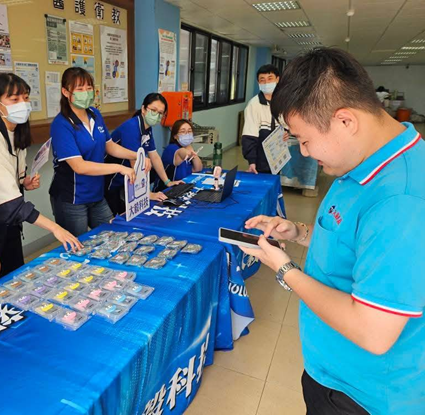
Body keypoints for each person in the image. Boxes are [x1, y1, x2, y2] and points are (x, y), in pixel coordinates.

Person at [240, 48, 424, 415]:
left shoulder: (401, 201)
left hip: (361, 396)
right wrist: (297, 232)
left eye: (304, 139)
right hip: (329, 371)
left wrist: (284, 269)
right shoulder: (359, 162)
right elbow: (350, 238)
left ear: (345, 120)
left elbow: (373, 331)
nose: (305, 152)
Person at [0, 73, 81, 278]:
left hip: (9, 222)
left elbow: (7, 175)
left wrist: (23, 182)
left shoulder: (15, 131)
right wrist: (55, 228)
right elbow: (8, 203)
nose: (23, 104)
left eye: (25, 98)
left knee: (14, 274)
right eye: (14, 99)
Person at [50, 67, 144, 236]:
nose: (86, 93)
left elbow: (109, 145)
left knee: (113, 235)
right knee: (79, 245)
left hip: (96, 194)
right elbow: (79, 166)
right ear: (65, 92)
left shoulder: (94, 114)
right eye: (79, 89)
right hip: (73, 198)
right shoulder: (61, 124)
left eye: (89, 88)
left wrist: (137, 156)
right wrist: (119, 168)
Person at [105, 92, 181, 215]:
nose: (156, 115)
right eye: (153, 110)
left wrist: (167, 182)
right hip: (112, 180)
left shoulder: (147, 128)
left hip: (127, 179)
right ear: (143, 109)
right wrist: (147, 193)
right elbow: (134, 162)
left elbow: (154, 156)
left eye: (160, 113)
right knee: (117, 217)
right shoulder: (131, 127)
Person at [242, 64, 289, 174]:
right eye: (262, 80)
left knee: (277, 180)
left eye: (270, 78)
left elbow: (289, 124)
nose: (266, 83)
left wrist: (287, 132)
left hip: (280, 156)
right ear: (258, 82)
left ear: (277, 79)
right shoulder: (254, 105)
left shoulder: (284, 103)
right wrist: (252, 162)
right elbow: (249, 135)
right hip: (261, 160)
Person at [154, 119, 203, 192]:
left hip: (182, 188)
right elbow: (181, 153)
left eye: (189, 131)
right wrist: (188, 152)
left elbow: (198, 168)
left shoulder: (188, 148)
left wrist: (190, 149)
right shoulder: (171, 148)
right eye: (183, 131)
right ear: (175, 136)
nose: (187, 134)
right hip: (166, 191)